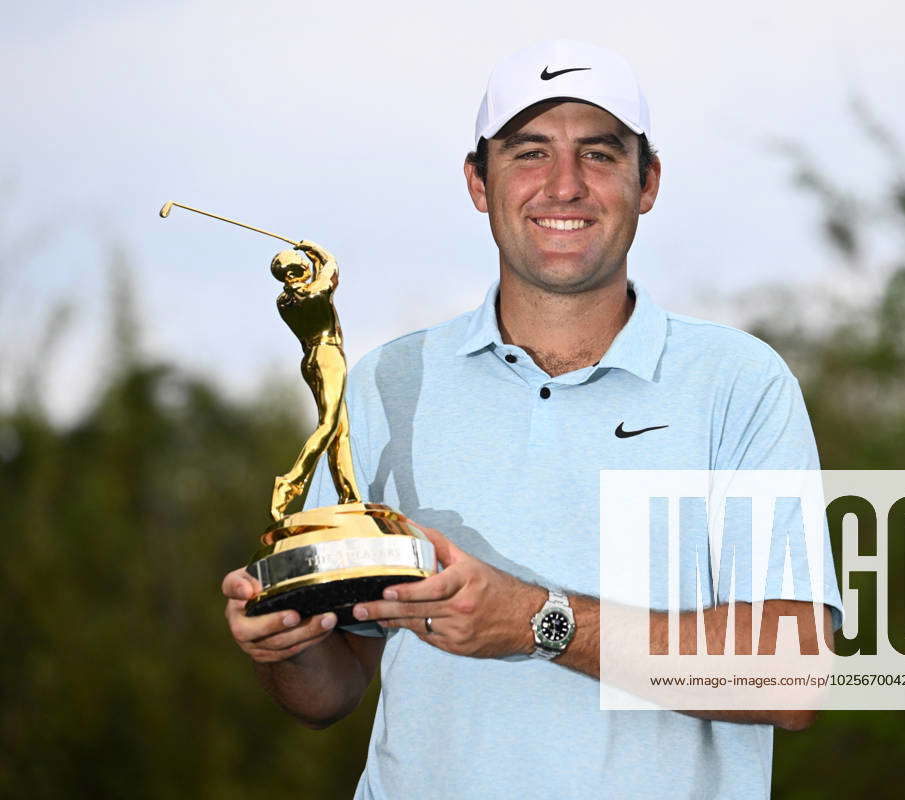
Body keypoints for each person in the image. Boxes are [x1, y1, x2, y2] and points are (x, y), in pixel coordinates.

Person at [223, 39, 844, 799]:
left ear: (647, 182)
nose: (565, 185)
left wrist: (534, 621)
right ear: (478, 182)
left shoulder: (740, 383)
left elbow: (790, 675)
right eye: (529, 153)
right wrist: (286, 645)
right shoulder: (388, 381)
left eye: (600, 154)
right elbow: (332, 692)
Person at [268, 239, 361, 520]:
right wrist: (316, 250)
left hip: (309, 360)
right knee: (329, 425)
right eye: (304, 267)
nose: (309, 269)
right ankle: (291, 482)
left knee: (339, 430)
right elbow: (331, 269)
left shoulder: (285, 301)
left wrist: (310, 257)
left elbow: (323, 276)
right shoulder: (313, 292)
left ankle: (349, 495)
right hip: (329, 356)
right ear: (296, 273)